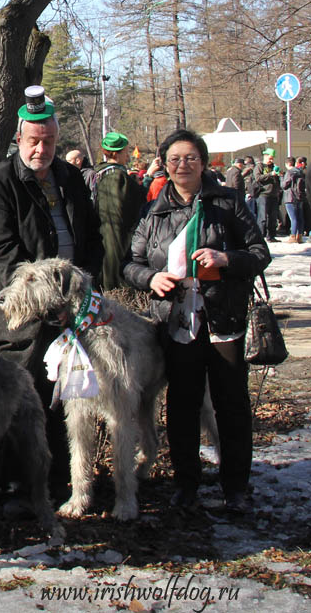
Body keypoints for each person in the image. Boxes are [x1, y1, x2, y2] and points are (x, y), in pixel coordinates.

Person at [122, 129, 270, 511]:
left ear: (203, 162)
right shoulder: (154, 210)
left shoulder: (228, 202)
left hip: (224, 319)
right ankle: (185, 484)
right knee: (183, 404)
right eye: (174, 159)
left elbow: (259, 253)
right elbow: (130, 265)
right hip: (175, 321)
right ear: (164, 164)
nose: (182, 165)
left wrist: (227, 260)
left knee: (231, 404)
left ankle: (235, 485)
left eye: (190, 158)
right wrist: (151, 279)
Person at [0, 85, 103, 500]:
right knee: (19, 403)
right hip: (23, 321)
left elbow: (91, 240)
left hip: (73, 313)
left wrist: (82, 298)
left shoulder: (70, 178)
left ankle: (56, 482)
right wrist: (50, 304)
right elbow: (2, 256)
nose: (41, 149)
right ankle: (11, 487)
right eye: (34, 141)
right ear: (19, 139)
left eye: (48, 141)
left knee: (68, 400)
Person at [92, 132, 147, 290]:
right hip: (119, 238)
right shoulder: (118, 177)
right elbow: (133, 206)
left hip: (101, 236)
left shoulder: (98, 174)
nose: (127, 155)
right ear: (117, 153)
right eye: (126, 152)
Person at [282, 156, 305, 243]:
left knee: (293, 218)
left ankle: (293, 236)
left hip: (290, 197)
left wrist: (281, 178)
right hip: (299, 197)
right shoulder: (300, 172)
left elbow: (284, 185)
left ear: (287, 164)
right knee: (300, 217)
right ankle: (299, 236)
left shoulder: (290, 172)